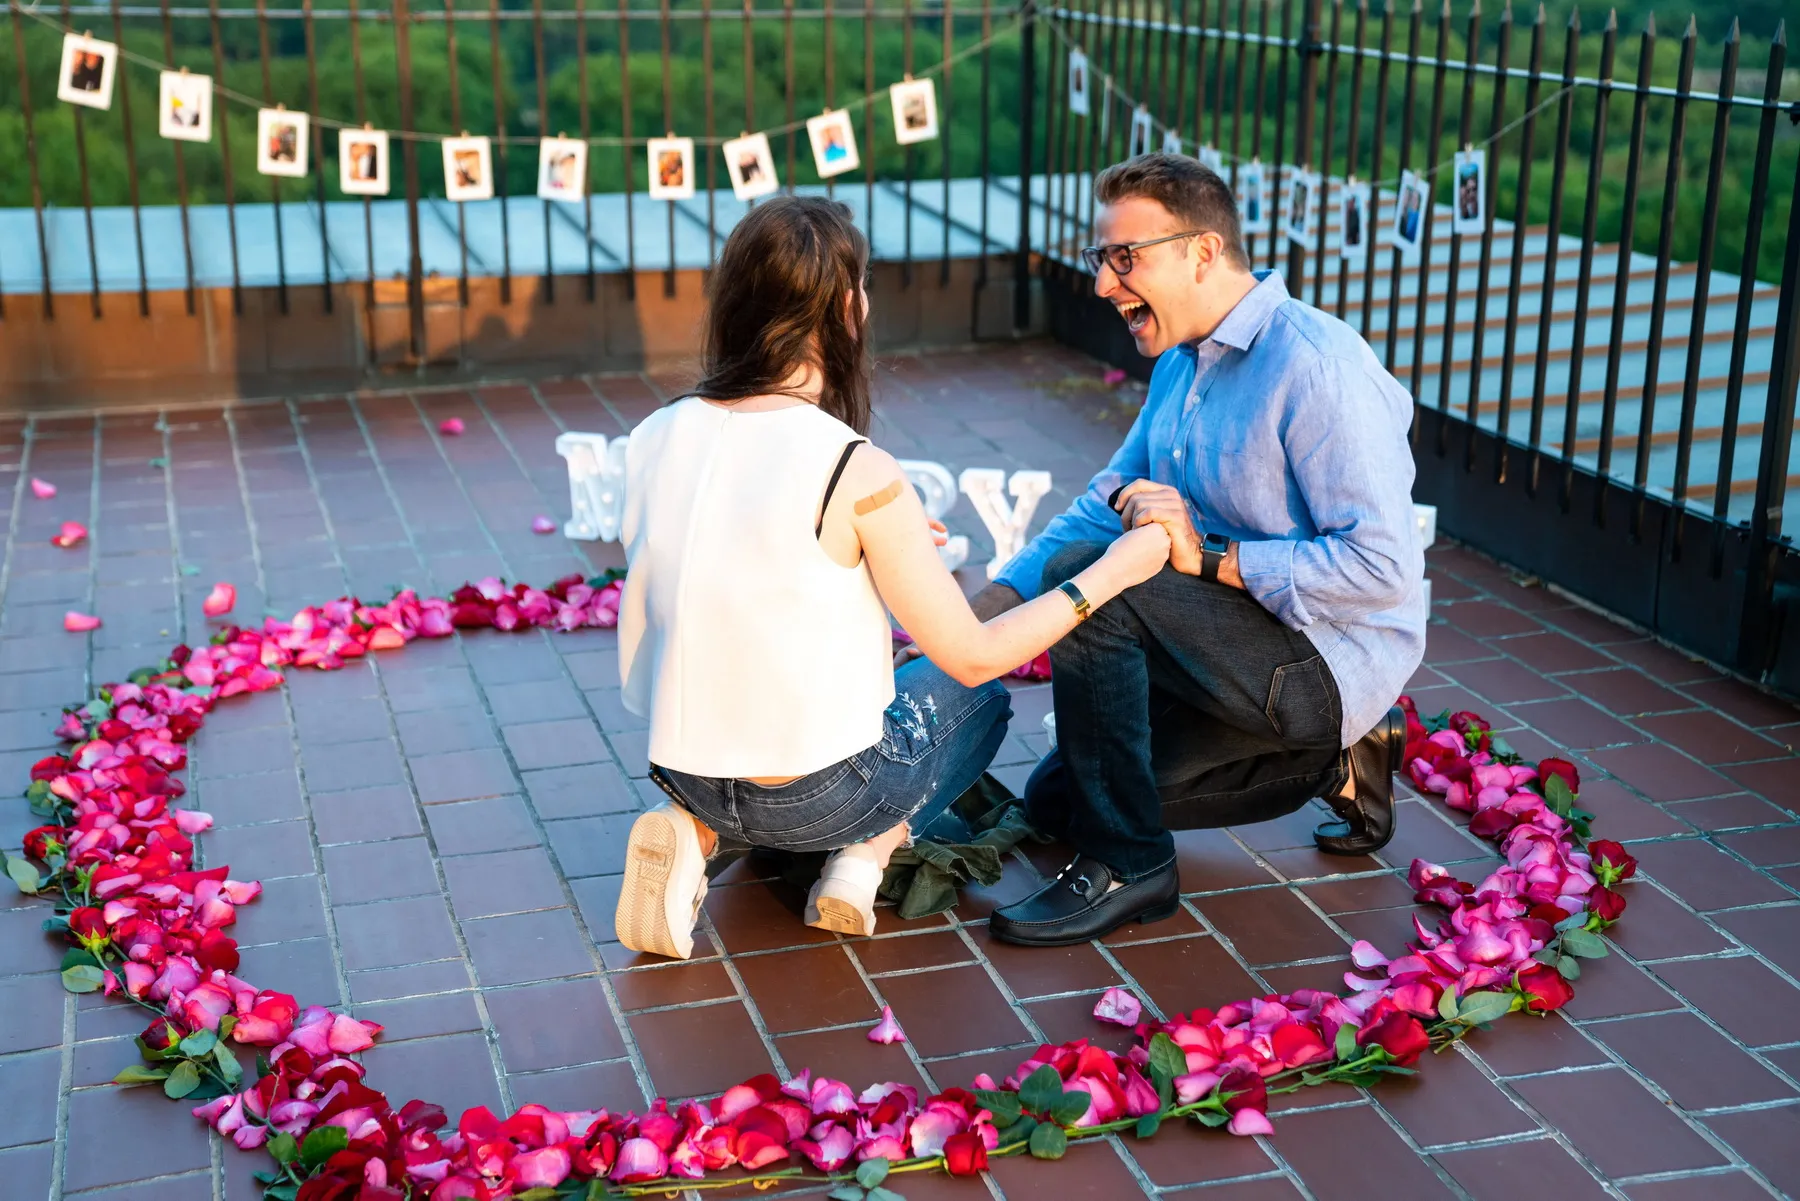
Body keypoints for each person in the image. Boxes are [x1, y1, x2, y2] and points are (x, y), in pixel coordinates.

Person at [614, 196, 1172, 960]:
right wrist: (1110, 572)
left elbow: (731, 566)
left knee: (793, 729)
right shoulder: (852, 467)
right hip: (821, 797)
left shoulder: (651, 437)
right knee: (975, 695)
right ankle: (863, 853)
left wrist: (877, 552)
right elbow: (973, 654)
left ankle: (700, 831)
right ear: (848, 306)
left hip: (684, 768)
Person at [943, 155, 1424, 946]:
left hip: (1325, 653)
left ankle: (1132, 864)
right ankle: (1341, 762)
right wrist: (973, 623)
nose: (1103, 284)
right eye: (1102, 259)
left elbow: (1382, 569)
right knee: (1060, 801)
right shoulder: (1181, 364)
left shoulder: (1318, 366)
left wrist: (1210, 556)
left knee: (1094, 589)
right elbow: (1100, 509)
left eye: (1123, 259)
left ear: (1202, 252)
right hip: (1232, 640)